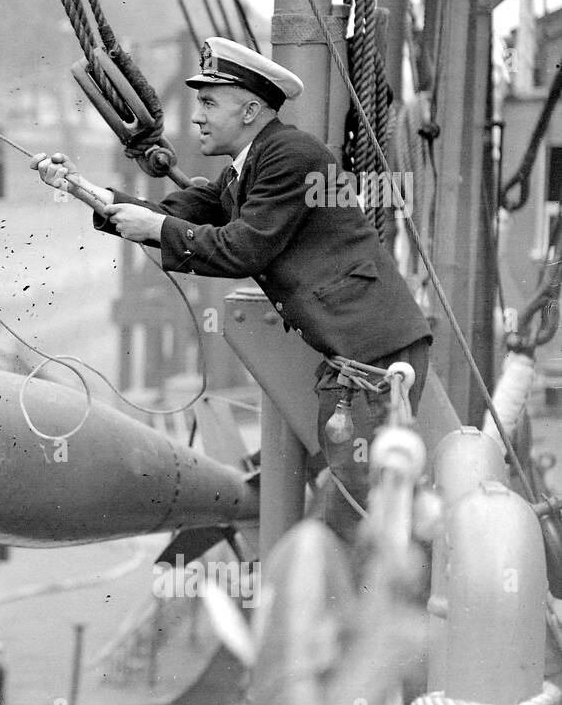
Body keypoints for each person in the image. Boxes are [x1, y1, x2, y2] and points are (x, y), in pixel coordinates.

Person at [31, 37, 432, 546]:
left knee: (362, 512)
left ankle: (371, 614)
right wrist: (77, 187)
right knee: (358, 504)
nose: (197, 115)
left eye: (208, 101)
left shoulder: (291, 157)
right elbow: (178, 213)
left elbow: (242, 249)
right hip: (359, 357)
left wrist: (154, 229)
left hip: (375, 360)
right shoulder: (251, 167)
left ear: (249, 110)